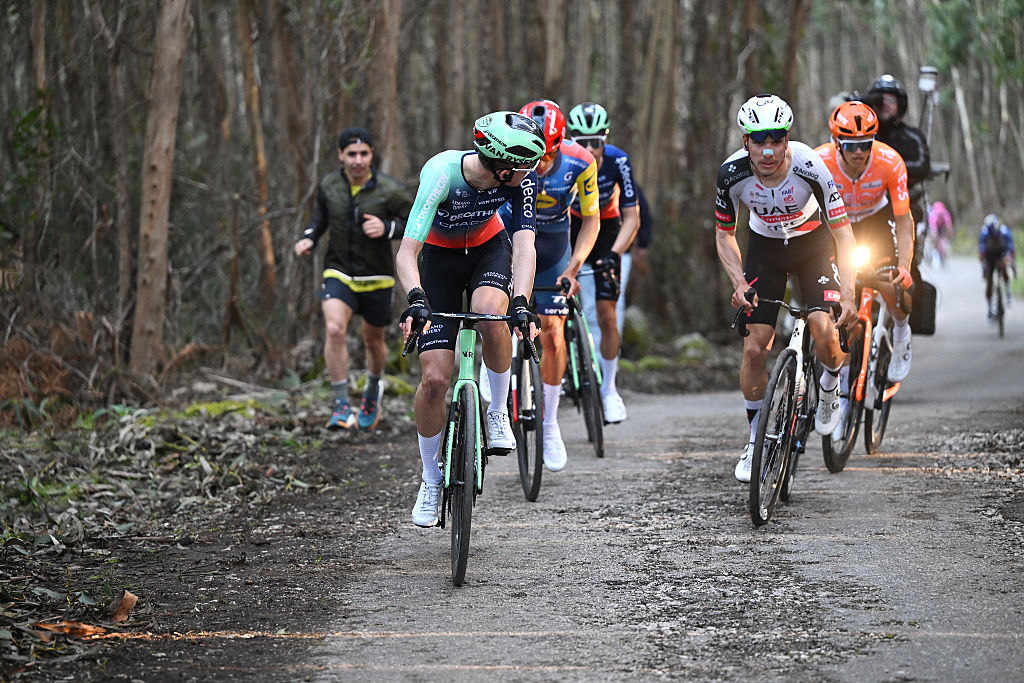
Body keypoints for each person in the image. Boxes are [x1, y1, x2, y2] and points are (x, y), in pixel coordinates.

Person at [396, 111, 544, 528]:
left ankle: (497, 410)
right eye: (525, 165)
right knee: (435, 381)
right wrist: (416, 298)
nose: (531, 172)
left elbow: (525, 249)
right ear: (502, 167)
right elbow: (407, 252)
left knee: (491, 314)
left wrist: (521, 300)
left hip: (487, 250)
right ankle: (430, 478)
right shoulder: (442, 174)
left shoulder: (521, 183)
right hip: (439, 261)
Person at [715, 94, 857, 483]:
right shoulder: (732, 174)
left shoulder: (811, 165)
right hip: (765, 251)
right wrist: (739, 282)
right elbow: (725, 235)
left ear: (787, 138)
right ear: (745, 142)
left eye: (776, 139)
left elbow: (844, 235)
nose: (767, 150)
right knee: (754, 347)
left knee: (823, 330)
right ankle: (754, 439)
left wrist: (848, 293)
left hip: (813, 247)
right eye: (758, 140)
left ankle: (830, 386)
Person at [494, 100, 600, 471]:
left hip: (554, 245)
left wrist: (573, 267)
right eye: (534, 154)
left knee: (554, 333)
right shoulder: (506, 157)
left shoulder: (581, 162)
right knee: (497, 322)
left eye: (548, 153)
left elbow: (590, 220)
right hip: (508, 240)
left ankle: (550, 423)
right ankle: (499, 401)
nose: (539, 163)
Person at [295, 127, 413, 431]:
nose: (357, 160)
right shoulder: (329, 185)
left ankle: (373, 389)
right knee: (334, 328)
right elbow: (319, 218)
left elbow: (416, 221)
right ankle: (341, 404)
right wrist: (309, 238)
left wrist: (387, 228)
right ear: (341, 155)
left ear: (372, 155)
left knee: (373, 341)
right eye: (351, 154)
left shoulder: (390, 189)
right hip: (339, 271)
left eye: (363, 154)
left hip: (377, 277)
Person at [816, 100, 915, 384]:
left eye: (865, 144)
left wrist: (904, 266)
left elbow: (905, 220)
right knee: (840, 310)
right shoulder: (819, 161)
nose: (859, 152)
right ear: (836, 142)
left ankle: (900, 330)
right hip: (837, 226)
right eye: (850, 145)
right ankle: (843, 382)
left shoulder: (890, 161)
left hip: (875, 222)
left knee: (891, 283)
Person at [566, 102, 640, 424]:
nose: (590, 149)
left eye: (596, 142)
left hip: (607, 228)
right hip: (567, 228)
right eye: (581, 142)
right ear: (570, 140)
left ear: (605, 140)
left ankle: (610, 388)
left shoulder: (617, 160)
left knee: (608, 314)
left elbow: (632, 217)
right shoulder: (561, 160)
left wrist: (615, 253)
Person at [864, 74, 931, 279]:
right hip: (862, 205)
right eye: (879, 100)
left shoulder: (912, 136)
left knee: (908, 264)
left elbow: (923, 166)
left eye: (890, 100)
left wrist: (889, 171)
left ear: (900, 104)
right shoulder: (862, 136)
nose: (884, 105)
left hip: (902, 203)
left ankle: (908, 283)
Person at [979, 213, 1017, 318]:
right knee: (989, 282)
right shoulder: (984, 233)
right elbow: (982, 251)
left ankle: (1008, 290)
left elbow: (1011, 247)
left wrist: (1011, 259)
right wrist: (984, 265)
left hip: (1002, 253)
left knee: (1004, 268)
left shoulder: (1004, 231)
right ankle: (990, 306)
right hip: (989, 256)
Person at [927, 200, 954, 267]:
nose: (940, 215)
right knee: (933, 240)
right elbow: (933, 229)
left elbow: (949, 226)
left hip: (942, 226)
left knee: (943, 239)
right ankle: (932, 253)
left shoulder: (946, 214)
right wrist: (934, 236)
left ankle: (943, 254)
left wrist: (949, 234)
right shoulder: (933, 215)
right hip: (934, 226)